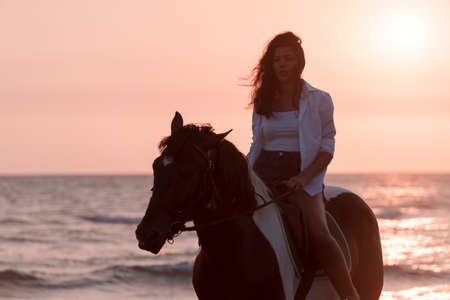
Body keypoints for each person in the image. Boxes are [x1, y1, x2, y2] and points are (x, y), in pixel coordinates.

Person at [246, 31, 360, 300]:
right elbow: (256, 142)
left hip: (303, 175)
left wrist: (304, 177)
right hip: (264, 170)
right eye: (277, 60)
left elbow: (327, 146)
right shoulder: (263, 99)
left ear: (299, 62)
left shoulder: (319, 99)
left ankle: (350, 294)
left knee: (319, 234)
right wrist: (246, 173)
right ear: (271, 65)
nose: (282, 65)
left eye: (288, 59)